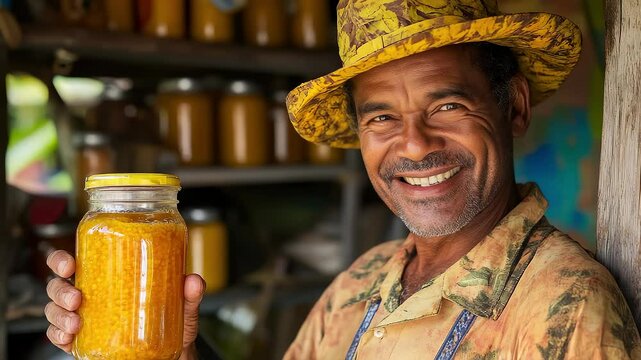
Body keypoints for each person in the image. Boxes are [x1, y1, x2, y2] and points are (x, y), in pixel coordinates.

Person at [45, 0, 641, 359]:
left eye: (448, 107)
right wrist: (178, 349)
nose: (414, 145)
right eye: (382, 118)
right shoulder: (361, 283)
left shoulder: (562, 305)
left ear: (513, 106)